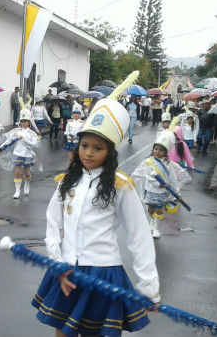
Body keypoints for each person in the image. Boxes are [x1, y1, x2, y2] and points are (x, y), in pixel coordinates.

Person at [32, 98, 160, 337]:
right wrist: (56, 259)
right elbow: (53, 222)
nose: (88, 153)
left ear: (110, 152)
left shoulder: (120, 185)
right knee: (63, 332)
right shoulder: (67, 181)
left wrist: (148, 285)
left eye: (98, 148)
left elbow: (139, 235)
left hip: (103, 272)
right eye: (84, 145)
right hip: (67, 269)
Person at [132, 130, 190, 238]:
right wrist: (158, 184)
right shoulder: (148, 161)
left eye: (161, 150)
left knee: (159, 209)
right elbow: (147, 175)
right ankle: (152, 222)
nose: (157, 152)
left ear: (165, 152)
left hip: (162, 192)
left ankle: (156, 228)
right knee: (150, 209)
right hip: (150, 189)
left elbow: (172, 179)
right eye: (156, 149)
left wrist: (176, 191)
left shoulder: (169, 164)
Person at [0, 108, 41, 199]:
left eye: (26, 121)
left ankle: (27, 183)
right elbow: (8, 141)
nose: (24, 123)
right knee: (17, 173)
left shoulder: (32, 133)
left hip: (27, 155)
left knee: (27, 174)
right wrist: (0, 148)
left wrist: (24, 140)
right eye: (22, 121)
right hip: (17, 154)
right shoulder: (16, 131)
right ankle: (17, 191)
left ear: (29, 122)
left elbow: (35, 145)